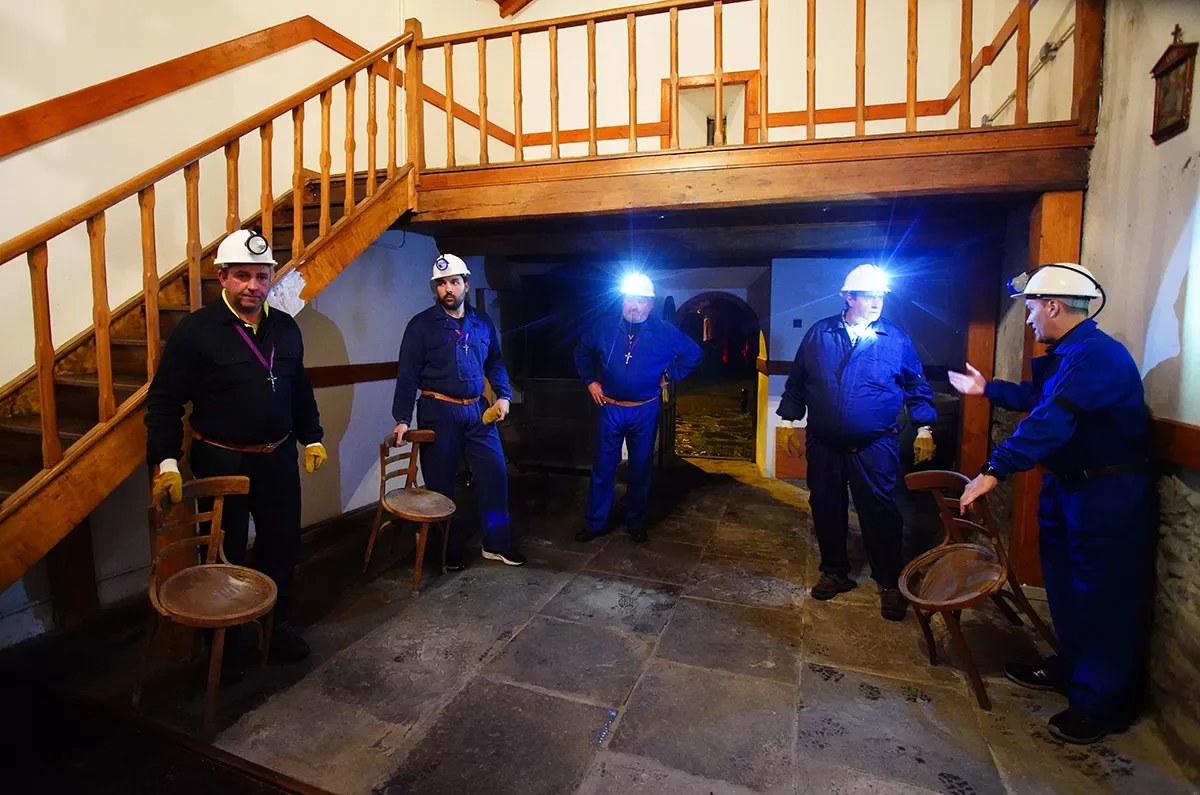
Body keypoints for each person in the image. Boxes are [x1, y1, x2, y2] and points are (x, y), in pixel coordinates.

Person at [951, 262, 1152, 745]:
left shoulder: (1099, 357)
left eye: (1033, 308)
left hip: (1105, 496)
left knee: (1103, 597)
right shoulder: (1073, 353)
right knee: (1066, 588)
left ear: (1055, 306)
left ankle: (1100, 703)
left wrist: (994, 468)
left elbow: (1052, 420)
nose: (1029, 319)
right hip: (1071, 488)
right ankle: (1071, 668)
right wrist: (988, 389)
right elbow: (1039, 397)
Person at [146, 228, 326, 671]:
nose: (253, 286)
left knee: (281, 545)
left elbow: (299, 388)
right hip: (221, 459)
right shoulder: (196, 332)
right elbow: (165, 401)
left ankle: (276, 624)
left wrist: (312, 435)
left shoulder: (285, 327)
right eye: (242, 276)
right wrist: (165, 460)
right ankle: (222, 645)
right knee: (222, 551)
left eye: (262, 277)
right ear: (223, 278)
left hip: (278, 457)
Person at [777, 263, 937, 621]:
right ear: (848, 297)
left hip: (875, 444)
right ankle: (834, 571)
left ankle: (889, 581)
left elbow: (916, 385)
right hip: (824, 442)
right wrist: (788, 421)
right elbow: (798, 381)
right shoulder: (821, 334)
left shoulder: (895, 338)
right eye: (868, 295)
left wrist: (925, 427)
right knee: (826, 507)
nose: (876, 302)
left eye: (880, 295)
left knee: (880, 510)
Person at [391, 253, 522, 568]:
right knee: (440, 485)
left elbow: (495, 361)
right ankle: (446, 551)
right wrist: (401, 419)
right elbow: (407, 374)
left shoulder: (482, 322)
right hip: (439, 411)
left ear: (466, 284)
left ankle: (496, 544)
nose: (447, 289)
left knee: (494, 475)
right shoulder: (421, 326)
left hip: (478, 411)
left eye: (453, 282)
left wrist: (503, 395)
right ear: (435, 288)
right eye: (441, 284)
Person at [573, 273, 703, 543]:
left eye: (640, 300)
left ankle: (636, 522)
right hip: (610, 407)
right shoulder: (606, 326)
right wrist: (590, 382)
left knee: (641, 468)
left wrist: (670, 375)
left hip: (645, 409)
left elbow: (694, 354)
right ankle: (595, 524)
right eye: (629, 299)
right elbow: (581, 350)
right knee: (603, 467)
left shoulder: (665, 332)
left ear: (650, 304)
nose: (633, 305)